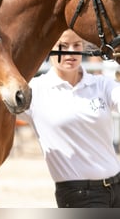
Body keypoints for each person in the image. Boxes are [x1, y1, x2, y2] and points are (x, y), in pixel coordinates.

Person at [19, 29, 120, 208]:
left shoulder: (101, 84)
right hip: (79, 195)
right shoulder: (35, 91)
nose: (71, 52)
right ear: (48, 48)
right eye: (62, 46)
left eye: (76, 45)